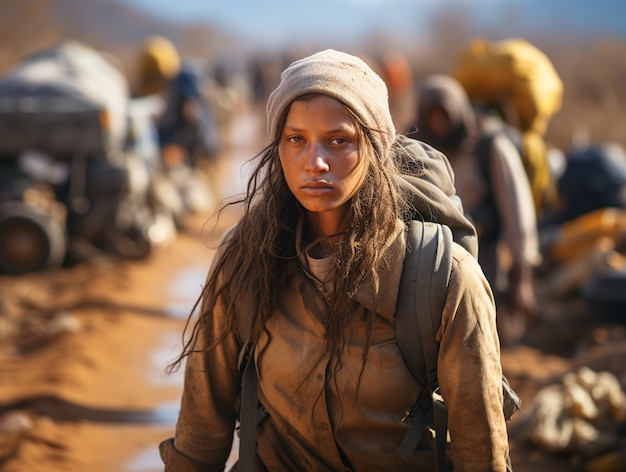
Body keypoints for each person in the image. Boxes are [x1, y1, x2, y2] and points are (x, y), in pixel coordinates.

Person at [160, 49, 510, 471]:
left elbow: (481, 453)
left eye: (339, 140)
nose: (315, 163)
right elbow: (201, 435)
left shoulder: (444, 280)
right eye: (296, 140)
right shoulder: (245, 258)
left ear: (375, 149)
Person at [413, 74, 541, 343]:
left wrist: (523, 275)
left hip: (484, 255)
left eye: (443, 117)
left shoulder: (489, 145)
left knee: (480, 328)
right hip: (429, 257)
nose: (438, 125)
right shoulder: (415, 145)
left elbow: (518, 211)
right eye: (432, 117)